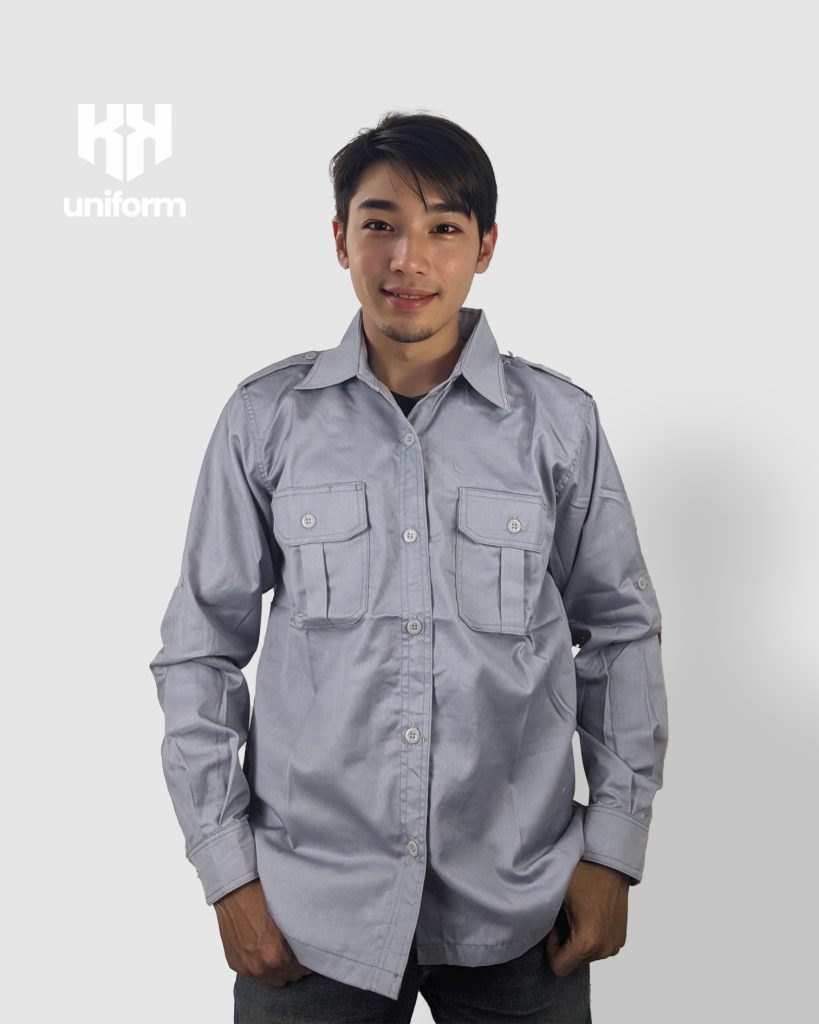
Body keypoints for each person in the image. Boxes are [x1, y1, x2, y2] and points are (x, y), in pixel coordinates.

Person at [149, 111, 668, 1024]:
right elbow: (200, 650)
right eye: (380, 224)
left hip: (521, 906)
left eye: (443, 228)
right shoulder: (266, 421)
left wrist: (611, 853)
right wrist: (226, 874)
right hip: (308, 916)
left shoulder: (558, 425)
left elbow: (620, 635)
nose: (408, 259)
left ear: (486, 247)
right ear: (339, 239)